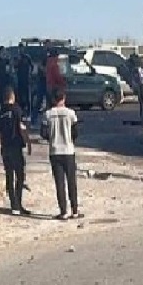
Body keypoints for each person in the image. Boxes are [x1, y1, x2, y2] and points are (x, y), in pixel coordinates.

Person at [44, 87, 82, 221]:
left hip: (55, 151)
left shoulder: (48, 114)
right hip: (68, 150)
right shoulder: (71, 113)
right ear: (64, 98)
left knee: (59, 183)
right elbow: (75, 132)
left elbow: (43, 133)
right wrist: (70, 140)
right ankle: (75, 210)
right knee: (71, 181)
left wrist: (51, 138)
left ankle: (63, 211)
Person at [0, 86, 32, 216]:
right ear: (13, 96)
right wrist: (28, 143)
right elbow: (22, 128)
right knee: (20, 176)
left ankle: (13, 206)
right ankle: (18, 204)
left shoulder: (0, 112)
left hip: (5, 148)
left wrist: (3, 145)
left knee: (9, 176)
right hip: (16, 147)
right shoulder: (17, 110)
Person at [31, 40, 52, 125]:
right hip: (42, 80)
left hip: (48, 80)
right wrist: (46, 71)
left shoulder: (50, 54)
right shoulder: (42, 54)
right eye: (48, 44)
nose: (49, 46)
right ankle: (33, 121)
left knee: (49, 101)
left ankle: (49, 121)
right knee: (39, 101)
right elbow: (39, 65)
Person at [15, 44, 33, 119]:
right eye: (19, 49)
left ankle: (29, 112)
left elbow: (31, 66)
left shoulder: (27, 57)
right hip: (19, 80)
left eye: (22, 48)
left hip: (26, 80)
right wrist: (18, 61)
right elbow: (14, 67)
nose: (21, 50)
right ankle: (20, 112)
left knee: (27, 96)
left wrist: (30, 74)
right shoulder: (16, 57)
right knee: (19, 97)